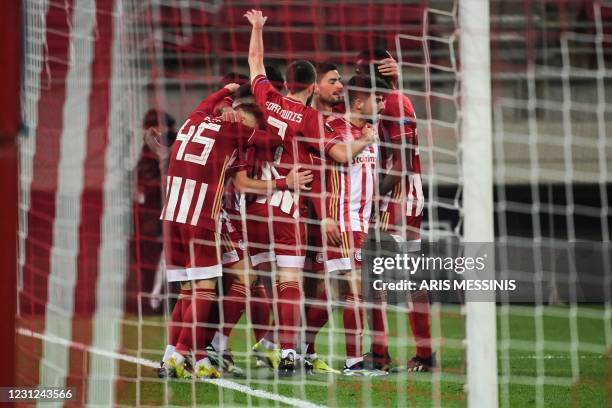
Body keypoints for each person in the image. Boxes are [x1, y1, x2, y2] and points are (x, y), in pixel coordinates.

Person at [356, 49, 435, 373]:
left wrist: (371, 196)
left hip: (399, 198)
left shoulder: (393, 102)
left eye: (362, 72)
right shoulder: (383, 101)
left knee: (405, 275)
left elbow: (401, 165)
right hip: (388, 196)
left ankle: (419, 354)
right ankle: (381, 352)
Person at [306, 75, 388, 375]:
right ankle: (354, 362)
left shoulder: (369, 131)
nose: (381, 105)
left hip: (362, 221)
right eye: (377, 99)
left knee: (335, 296)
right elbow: (323, 170)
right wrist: (326, 215)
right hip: (342, 220)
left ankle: (295, 343)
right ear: (358, 101)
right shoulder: (334, 128)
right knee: (355, 292)